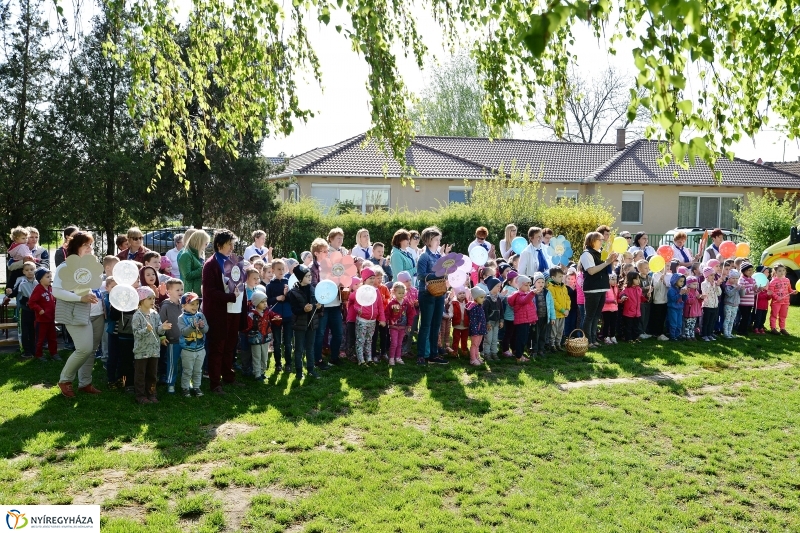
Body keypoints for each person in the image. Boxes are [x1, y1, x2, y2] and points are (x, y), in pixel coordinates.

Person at [52, 231, 103, 397]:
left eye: (90, 245)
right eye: (85, 245)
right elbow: (56, 291)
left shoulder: (91, 264)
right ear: (76, 247)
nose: (89, 248)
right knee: (84, 348)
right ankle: (65, 380)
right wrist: (80, 298)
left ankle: (85, 383)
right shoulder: (65, 266)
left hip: (96, 312)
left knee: (91, 350)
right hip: (74, 312)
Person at [202, 229, 248, 395]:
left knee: (230, 346)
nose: (232, 247)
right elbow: (209, 292)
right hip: (219, 313)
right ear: (219, 244)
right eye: (230, 244)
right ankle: (215, 383)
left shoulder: (234, 261)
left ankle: (228, 376)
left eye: (233, 244)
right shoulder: (211, 264)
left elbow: (241, 285)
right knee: (217, 348)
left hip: (234, 311)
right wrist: (229, 296)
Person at [415, 226, 452, 365]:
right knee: (425, 325)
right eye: (436, 239)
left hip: (440, 292)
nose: (438, 242)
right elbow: (420, 276)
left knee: (436, 325)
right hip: (427, 293)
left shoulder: (439, 256)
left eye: (439, 239)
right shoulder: (424, 256)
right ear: (429, 240)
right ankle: (421, 355)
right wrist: (436, 274)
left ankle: (433, 355)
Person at [132, 286, 171, 404]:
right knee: (140, 374)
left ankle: (152, 393)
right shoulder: (137, 315)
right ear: (141, 300)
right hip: (141, 351)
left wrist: (162, 328)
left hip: (154, 350)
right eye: (149, 298)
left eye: (154, 298)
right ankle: (140, 396)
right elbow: (136, 333)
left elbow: (158, 331)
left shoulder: (155, 314)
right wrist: (146, 330)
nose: (153, 301)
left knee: (153, 374)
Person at [580, 232, 617, 348]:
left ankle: (593, 339)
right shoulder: (586, 254)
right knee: (589, 316)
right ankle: (587, 340)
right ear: (592, 241)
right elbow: (591, 271)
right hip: (592, 288)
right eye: (600, 239)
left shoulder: (601, 253)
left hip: (601, 287)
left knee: (596, 316)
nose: (602, 241)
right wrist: (606, 262)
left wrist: (611, 261)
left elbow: (607, 269)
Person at [287, 264, 322, 380]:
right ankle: (298, 371)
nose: (310, 278)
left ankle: (311, 370)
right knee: (299, 349)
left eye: (310, 275)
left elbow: (320, 308)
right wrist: (303, 309)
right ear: (300, 278)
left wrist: (319, 306)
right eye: (307, 276)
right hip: (300, 325)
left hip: (312, 324)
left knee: (310, 347)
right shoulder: (293, 292)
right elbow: (294, 310)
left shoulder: (313, 289)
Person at [352, 267, 386, 365]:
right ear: (364, 279)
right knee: (360, 340)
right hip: (362, 320)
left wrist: (382, 319)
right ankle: (361, 360)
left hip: (373, 321)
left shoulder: (376, 291)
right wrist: (359, 310)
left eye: (373, 278)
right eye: (370, 278)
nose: (372, 280)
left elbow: (380, 306)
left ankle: (369, 359)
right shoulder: (360, 290)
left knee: (369, 340)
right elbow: (354, 303)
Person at [178, 292, 208, 397]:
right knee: (187, 370)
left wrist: (202, 326)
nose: (195, 306)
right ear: (183, 306)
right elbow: (183, 332)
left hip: (200, 349)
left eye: (197, 303)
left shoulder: (200, 315)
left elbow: (206, 330)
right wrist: (192, 326)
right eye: (192, 304)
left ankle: (196, 387)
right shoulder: (181, 318)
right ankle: (185, 388)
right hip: (187, 350)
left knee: (198, 370)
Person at [266, 259, 293, 372]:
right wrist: (277, 298)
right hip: (275, 316)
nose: (281, 271)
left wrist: (287, 295)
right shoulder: (270, 285)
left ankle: (288, 364)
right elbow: (267, 301)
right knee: (277, 342)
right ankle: (278, 364)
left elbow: (293, 299)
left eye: (283, 269)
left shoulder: (288, 283)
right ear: (273, 270)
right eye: (278, 269)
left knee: (288, 342)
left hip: (288, 316)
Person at [6, 261, 37, 358]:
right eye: (27, 270)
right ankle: (25, 350)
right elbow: (14, 293)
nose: (29, 272)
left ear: (35, 270)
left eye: (32, 270)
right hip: (24, 310)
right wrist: (9, 293)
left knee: (33, 330)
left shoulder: (38, 282)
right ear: (23, 272)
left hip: (35, 311)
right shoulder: (21, 281)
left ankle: (34, 349)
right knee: (24, 330)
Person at [159, 279, 185, 393]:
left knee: (185, 363)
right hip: (172, 341)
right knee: (172, 364)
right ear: (168, 291)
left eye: (182, 289)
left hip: (185, 339)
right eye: (177, 289)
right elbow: (160, 323)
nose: (180, 291)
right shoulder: (165, 306)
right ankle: (171, 384)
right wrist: (162, 337)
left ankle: (184, 383)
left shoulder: (184, 304)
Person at [28, 268, 58, 361]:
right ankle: (39, 354)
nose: (50, 279)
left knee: (52, 338)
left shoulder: (50, 288)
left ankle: (54, 353)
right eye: (47, 277)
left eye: (50, 277)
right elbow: (31, 302)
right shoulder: (38, 289)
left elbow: (54, 300)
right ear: (40, 279)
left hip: (50, 319)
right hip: (41, 321)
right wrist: (39, 310)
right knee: (40, 339)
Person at [246, 291, 276, 380]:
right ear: (256, 302)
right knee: (256, 357)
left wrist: (277, 318)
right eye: (262, 302)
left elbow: (275, 317)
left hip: (265, 339)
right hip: (255, 340)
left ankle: (262, 371)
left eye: (265, 302)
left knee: (264, 356)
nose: (265, 304)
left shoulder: (267, 313)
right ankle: (257, 374)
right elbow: (246, 327)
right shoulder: (251, 315)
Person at [385, 282, 416, 366]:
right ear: (394, 292)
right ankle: (391, 358)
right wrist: (385, 321)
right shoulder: (391, 303)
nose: (401, 295)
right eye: (399, 293)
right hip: (393, 327)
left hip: (403, 327)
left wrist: (409, 325)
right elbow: (387, 313)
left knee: (400, 343)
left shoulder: (406, 303)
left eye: (403, 293)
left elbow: (411, 314)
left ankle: (398, 357)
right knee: (394, 343)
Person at [508, 275, 535, 362]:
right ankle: (519, 356)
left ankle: (520, 354)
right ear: (520, 285)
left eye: (529, 285)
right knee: (521, 339)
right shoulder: (519, 295)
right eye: (526, 285)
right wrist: (532, 293)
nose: (528, 287)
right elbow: (524, 301)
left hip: (525, 320)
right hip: (521, 321)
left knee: (523, 338)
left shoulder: (524, 294)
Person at [531, 272, 555, 358]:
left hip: (545, 317)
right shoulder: (531, 292)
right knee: (535, 335)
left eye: (542, 282)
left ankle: (541, 349)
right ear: (534, 283)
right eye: (538, 282)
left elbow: (551, 306)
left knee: (543, 335)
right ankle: (534, 350)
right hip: (535, 319)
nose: (541, 284)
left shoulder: (547, 292)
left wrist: (552, 317)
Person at [179, 230, 209, 295]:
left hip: (200, 291)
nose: (207, 245)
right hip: (191, 293)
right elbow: (187, 275)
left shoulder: (199, 253)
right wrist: (203, 268)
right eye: (205, 242)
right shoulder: (186, 255)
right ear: (199, 242)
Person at [547, 267, 570, 352]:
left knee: (560, 330)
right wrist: (562, 310)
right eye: (559, 276)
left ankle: (558, 344)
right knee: (553, 330)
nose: (561, 278)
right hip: (556, 314)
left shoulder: (563, 287)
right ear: (553, 277)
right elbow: (554, 301)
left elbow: (568, 298)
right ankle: (552, 345)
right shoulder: (550, 288)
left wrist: (567, 309)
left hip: (563, 313)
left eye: (562, 276)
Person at [481, 277, 503, 361]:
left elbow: (501, 310)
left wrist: (501, 320)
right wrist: (487, 322)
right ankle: (486, 353)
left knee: (495, 339)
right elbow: (485, 312)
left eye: (500, 286)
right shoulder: (487, 299)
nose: (499, 288)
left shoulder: (498, 298)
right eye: (497, 286)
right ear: (492, 286)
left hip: (496, 322)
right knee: (488, 339)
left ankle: (494, 353)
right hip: (489, 323)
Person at [768, 265, 795, 335]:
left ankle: (782, 328)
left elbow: (789, 289)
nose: (782, 272)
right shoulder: (773, 281)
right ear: (775, 272)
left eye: (783, 270)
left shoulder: (787, 280)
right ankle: (773, 328)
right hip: (776, 302)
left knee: (783, 316)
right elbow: (771, 292)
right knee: (774, 315)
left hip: (785, 302)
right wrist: (777, 297)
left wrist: (793, 291)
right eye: (779, 271)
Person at [466, 287, 487, 366]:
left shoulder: (479, 306)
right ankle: (473, 359)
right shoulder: (473, 307)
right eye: (481, 297)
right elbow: (473, 320)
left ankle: (477, 357)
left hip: (480, 328)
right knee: (474, 344)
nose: (483, 299)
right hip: (475, 330)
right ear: (475, 297)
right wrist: (475, 330)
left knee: (478, 344)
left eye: (484, 297)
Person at [700, 266, 722, 341]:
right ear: (706, 276)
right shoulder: (704, 284)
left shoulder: (714, 284)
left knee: (712, 321)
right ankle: (704, 334)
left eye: (713, 275)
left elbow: (719, 293)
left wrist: (717, 286)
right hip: (707, 305)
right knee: (706, 321)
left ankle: (709, 334)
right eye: (711, 275)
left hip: (714, 306)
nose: (713, 277)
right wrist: (711, 285)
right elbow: (706, 292)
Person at [666, 274, 688, 341]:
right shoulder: (671, 290)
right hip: (672, 308)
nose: (682, 283)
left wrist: (685, 294)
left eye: (683, 281)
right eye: (680, 281)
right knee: (673, 323)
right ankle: (672, 336)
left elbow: (684, 299)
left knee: (679, 323)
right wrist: (680, 294)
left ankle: (677, 335)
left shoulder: (680, 289)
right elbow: (672, 299)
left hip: (679, 308)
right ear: (675, 281)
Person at [737, 262, 757, 335]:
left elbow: (754, 292)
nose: (751, 272)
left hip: (750, 302)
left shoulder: (753, 280)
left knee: (747, 317)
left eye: (752, 270)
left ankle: (744, 329)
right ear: (743, 271)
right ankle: (741, 330)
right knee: (744, 317)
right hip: (744, 302)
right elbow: (742, 292)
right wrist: (751, 288)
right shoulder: (742, 280)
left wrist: (758, 289)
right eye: (749, 270)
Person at [722, 270, 742, 338]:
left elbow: (742, 295)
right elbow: (729, 294)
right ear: (729, 278)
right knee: (727, 319)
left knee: (732, 320)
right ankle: (725, 333)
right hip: (728, 305)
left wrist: (742, 289)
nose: (735, 280)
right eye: (733, 278)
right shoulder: (727, 286)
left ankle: (730, 333)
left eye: (736, 278)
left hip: (735, 305)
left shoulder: (737, 286)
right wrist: (735, 289)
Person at [449, 288, 469, 356]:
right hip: (457, 323)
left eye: (463, 293)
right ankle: (455, 350)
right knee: (456, 338)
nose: (462, 295)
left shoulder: (468, 303)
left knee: (464, 338)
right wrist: (450, 315)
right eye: (460, 294)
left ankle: (464, 349)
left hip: (465, 324)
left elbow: (470, 312)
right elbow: (451, 310)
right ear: (456, 295)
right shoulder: (454, 303)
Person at [601, 273, 619, 345]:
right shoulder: (605, 288)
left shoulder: (616, 288)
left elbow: (617, 297)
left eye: (616, 280)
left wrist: (620, 299)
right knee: (606, 323)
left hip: (614, 309)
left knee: (613, 323)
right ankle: (606, 336)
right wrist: (611, 301)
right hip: (606, 309)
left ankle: (613, 336)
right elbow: (604, 299)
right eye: (612, 279)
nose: (614, 281)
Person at [682, 276, 702, 340]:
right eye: (694, 284)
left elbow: (698, 301)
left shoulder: (696, 291)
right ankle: (687, 335)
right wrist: (695, 297)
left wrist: (700, 298)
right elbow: (687, 301)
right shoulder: (688, 291)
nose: (695, 286)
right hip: (689, 311)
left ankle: (692, 335)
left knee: (693, 324)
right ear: (688, 284)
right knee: (688, 324)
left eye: (696, 284)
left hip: (695, 311)